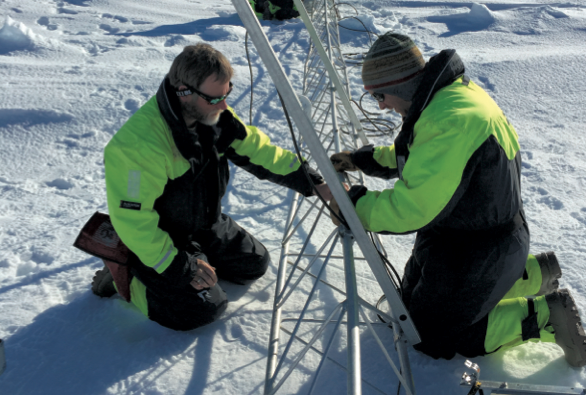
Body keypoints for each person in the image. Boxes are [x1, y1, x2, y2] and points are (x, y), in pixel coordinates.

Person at [329, 32, 586, 366]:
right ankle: (535, 273)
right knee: (409, 303)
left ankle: (547, 316)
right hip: (465, 235)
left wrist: (354, 206)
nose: (380, 105)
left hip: (480, 249)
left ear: (403, 84)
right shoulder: (447, 98)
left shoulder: (448, 122)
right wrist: (363, 160)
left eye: (380, 94)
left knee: (429, 333)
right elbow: (423, 158)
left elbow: (411, 209)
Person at [91, 43, 332, 331]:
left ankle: (198, 253)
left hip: (205, 224)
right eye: (214, 98)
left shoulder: (213, 115)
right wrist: (180, 266)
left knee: (255, 263)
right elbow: (134, 219)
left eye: (227, 94)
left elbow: (259, 152)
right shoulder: (139, 145)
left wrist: (315, 182)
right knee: (202, 309)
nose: (225, 106)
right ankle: (125, 277)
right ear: (183, 91)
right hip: (159, 236)